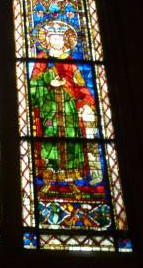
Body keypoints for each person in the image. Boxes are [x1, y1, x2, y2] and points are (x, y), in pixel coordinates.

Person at [30, 20, 99, 185]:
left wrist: (86, 103)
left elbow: (80, 85)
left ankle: (71, 175)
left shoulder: (70, 61)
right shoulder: (42, 59)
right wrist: (49, 81)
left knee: (71, 136)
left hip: (68, 107)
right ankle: (50, 172)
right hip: (49, 108)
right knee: (50, 136)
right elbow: (33, 85)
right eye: (53, 37)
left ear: (66, 41)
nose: (57, 41)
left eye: (60, 38)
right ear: (47, 40)